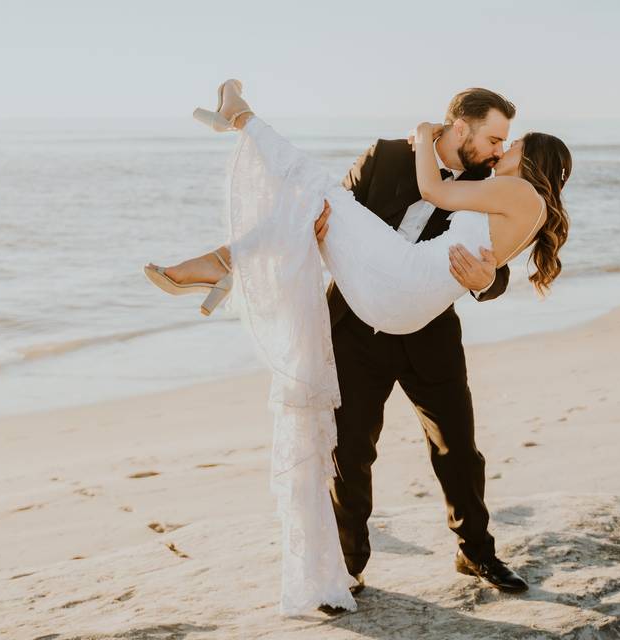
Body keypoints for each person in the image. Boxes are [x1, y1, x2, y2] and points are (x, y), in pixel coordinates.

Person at [144, 80, 571, 615]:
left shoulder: (490, 180)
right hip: (355, 324)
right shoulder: (387, 156)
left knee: (458, 448)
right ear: (459, 125)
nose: (495, 152)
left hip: (428, 330)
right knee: (348, 451)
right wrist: (312, 227)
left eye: (504, 144)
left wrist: (485, 279)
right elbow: (341, 219)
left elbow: (496, 264)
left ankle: (477, 553)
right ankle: (348, 564)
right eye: (491, 138)